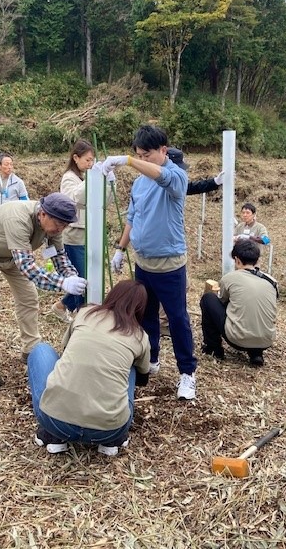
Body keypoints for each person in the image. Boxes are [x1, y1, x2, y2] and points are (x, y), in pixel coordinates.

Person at [100, 125, 197, 400]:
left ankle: (187, 372)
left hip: (169, 264)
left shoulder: (177, 176)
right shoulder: (139, 183)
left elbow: (163, 177)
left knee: (177, 318)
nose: (143, 160)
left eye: (147, 155)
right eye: (139, 155)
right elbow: (133, 217)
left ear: (163, 150)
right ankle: (151, 358)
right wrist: (121, 249)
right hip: (143, 263)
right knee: (146, 315)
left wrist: (130, 161)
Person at [0, 193, 87, 389]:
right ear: (43, 214)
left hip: (12, 256)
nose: (60, 229)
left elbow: (59, 257)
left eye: (65, 226)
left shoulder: (55, 226)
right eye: (58, 224)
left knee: (29, 298)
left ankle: (31, 349)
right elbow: (28, 267)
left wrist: (72, 277)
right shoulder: (18, 218)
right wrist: (62, 283)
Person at [28, 280, 150, 455]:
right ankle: (112, 440)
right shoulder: (139, 336)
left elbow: (66, 349)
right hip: (110, 430)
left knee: (41, 349)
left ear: (112, 296)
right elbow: (143, 378)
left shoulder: (86, 313)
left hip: (55, 422)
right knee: (131, 365)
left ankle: (53, 435)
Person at [160, 147, 224, 336]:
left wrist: (214, 182)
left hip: (172, 241)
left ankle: (165, 320)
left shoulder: (173, 181)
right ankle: (163, 322)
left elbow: (191, 187)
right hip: (165, 242)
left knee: (179, 284)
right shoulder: (158, 184)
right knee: (172, 284)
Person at [51, 139, 107, 322]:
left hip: (89, 234)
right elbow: (74, 199)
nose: (90, 164)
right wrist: (92, 177)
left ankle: (65, 307)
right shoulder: (69, 178)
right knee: (82, 277)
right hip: (74, 235)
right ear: (76, 158)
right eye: (87, 160)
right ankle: (75, 312)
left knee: (87, 277)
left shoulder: (82, 177)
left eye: (92, 161)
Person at [200, 240, 278, 366]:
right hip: (267, 340)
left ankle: (214, 349)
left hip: (237, 339)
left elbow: (222, 301)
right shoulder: (271, 281)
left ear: (236, 260)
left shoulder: (230, 278)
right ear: (258, 260)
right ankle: (256, 354)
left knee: (208, 299)